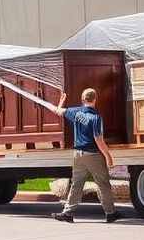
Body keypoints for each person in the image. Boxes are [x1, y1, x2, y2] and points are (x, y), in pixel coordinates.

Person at [50, 88, 122, 223]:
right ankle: (110, 213)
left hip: (78, 155)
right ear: (95, 100)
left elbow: (57, 111)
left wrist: (61, 102)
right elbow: (98, 139)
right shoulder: (96, 118)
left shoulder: (75, 112)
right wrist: (108, 156)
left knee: (76, 184)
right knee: (103, 183)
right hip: (93, 154)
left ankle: (68, 213)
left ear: (83, 100)